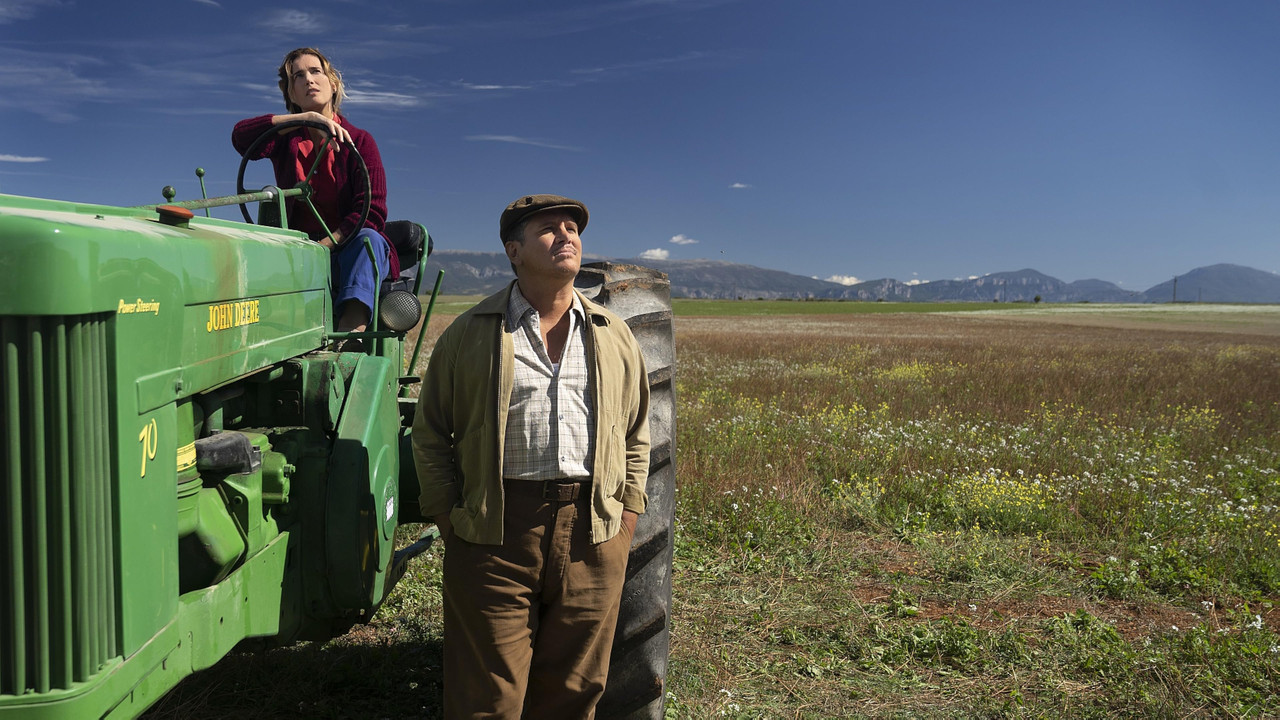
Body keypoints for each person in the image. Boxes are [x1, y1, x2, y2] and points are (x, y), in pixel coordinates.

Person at [412, 194, 651, 719]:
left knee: (573, 691)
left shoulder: (615, 336)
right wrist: (448, 519)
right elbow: (430, 434)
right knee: (487, 698)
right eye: (549, 228)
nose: (566, 235)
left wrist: (627, 513)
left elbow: (636, 433)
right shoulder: (471, 333)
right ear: (513, 250)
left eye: (572, 227)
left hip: (593, 529)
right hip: (496, 531)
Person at [232, 47, 398, 333]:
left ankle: (350, 333)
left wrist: (323, 247)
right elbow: (240, 137)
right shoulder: (285, 141)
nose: (308, 79)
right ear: (291, 94)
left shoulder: (360, 141)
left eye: (315, 71)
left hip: (346, 250)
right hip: (297, 251)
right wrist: (303, 119)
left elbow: (372, 212)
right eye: (298, 76)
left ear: (332, 84)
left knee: (369, 239)